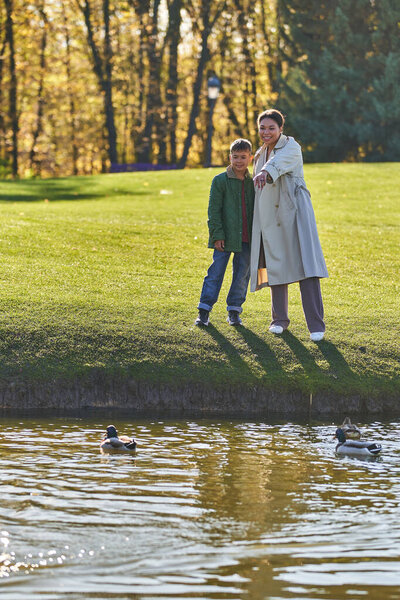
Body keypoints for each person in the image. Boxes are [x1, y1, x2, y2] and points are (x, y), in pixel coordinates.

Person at [251, 109, 328, 341]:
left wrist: (266, 171)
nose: (266, 132)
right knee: (277, 262)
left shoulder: (291, 147)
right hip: (270, 218)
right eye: (262, 128)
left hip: (295, 213)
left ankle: (316, 325)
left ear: (280, 129)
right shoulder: (259, 154)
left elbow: (279, 163)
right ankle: (279, 320)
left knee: (307, 266)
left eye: (271, 128)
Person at [195, 138, 255, 327]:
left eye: (243, 157)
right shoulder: (220, 181)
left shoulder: (253, 182)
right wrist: (217, 235)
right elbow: (213, 211)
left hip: (247, 238)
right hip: (224, 237)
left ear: (250, 158)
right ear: (229, 157)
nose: (239, 161)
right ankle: (204, 310)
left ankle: (234, 311)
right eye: (235, 157)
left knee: (242, 275)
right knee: (215, 272)